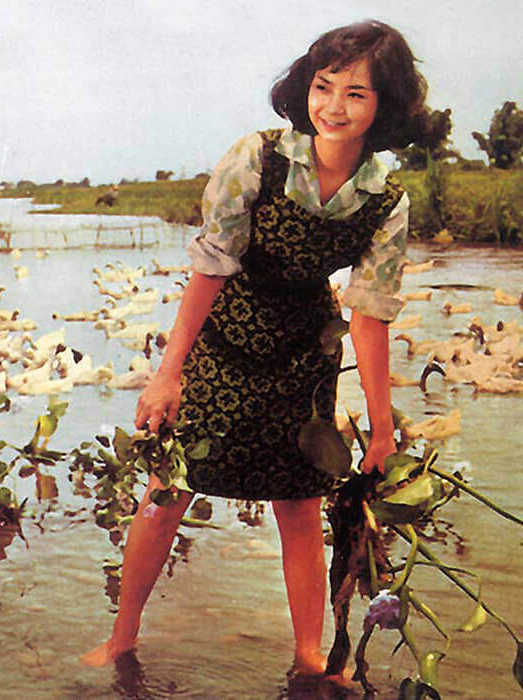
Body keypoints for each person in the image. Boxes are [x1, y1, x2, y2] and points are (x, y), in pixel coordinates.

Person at [81, 20, 426, 679]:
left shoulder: (386, 198)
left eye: (356, 93)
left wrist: (383, 430)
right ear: (305, 88)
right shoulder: (258, 158)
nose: (333, 107)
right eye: (323, 87)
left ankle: (308, 654)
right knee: (167, 489)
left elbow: (371, 314)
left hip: (305, 352)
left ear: (386, 105)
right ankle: (121, 641)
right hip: (224, 339)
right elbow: (210, 268)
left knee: (299, 506)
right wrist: (168, 374)